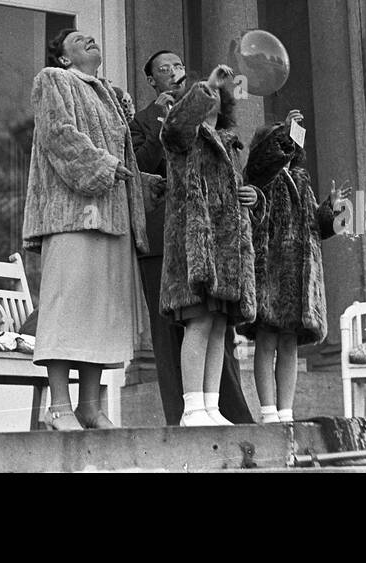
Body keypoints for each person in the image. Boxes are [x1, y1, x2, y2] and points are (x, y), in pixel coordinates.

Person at [22, 29, 155, 431]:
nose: (90, 41)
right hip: (71, 213)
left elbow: (123, 157)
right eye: (79, 41)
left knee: (99, 314)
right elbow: (58, 133)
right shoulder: (53, 80)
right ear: (63, 58)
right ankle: (59, 407)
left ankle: (89, 407)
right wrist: (101, 167)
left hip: (111, 217)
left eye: (93, 39)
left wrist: (142, 182)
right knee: (67, 311)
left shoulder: (110, 97)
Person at [130, 49, 253, 426]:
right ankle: (189, 409)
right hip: (183, 243)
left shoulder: (227, 141)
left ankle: (212, 407)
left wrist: (253, 197)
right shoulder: (173, 129)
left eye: (178, 66)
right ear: (151, 80)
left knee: (216, 327)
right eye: (163, 69)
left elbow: (236, 190)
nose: (173, 72)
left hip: (222, 249)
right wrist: (206, 88)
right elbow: (165, 140)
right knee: (192, 327)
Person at [240, 110, 348, 423]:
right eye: (281, 141)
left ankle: (285, 411)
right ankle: (268, 410)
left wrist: (332, 208)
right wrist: (290, 127)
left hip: (300, 277)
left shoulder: (300, 179)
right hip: (271, 270)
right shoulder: (262, 176)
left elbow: (318, 227)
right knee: (266, 340)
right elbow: (266, 159)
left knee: (289, 344)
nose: (288, 148)